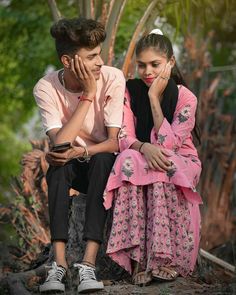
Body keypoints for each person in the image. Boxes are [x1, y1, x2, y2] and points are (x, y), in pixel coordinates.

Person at [103, 29, 202, 286]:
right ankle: (137, 258)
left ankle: (163, 258)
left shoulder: (185, 97)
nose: (147, 71)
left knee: (164, 165)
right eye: (141, 65)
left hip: (181, 160)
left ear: (170, 62)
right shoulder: (128, 90)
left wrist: (153, 99)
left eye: (155, 65)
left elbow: (169, 144)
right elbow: (124, 137)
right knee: (127, 160)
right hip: (142, 154)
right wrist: (144, 148)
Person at [33, 17, 125, 293]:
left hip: (102, 164)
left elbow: (113, 143)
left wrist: (82, 149)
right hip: (70, 167)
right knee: (57, 166)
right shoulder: (45, 88)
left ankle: (87, 264)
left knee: (101, 159)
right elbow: (60, 145)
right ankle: (58, 264)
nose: (100, 62)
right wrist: (87, 96)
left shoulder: (112, 77)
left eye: (99, 54)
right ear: (68, 61)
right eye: (92, 56)